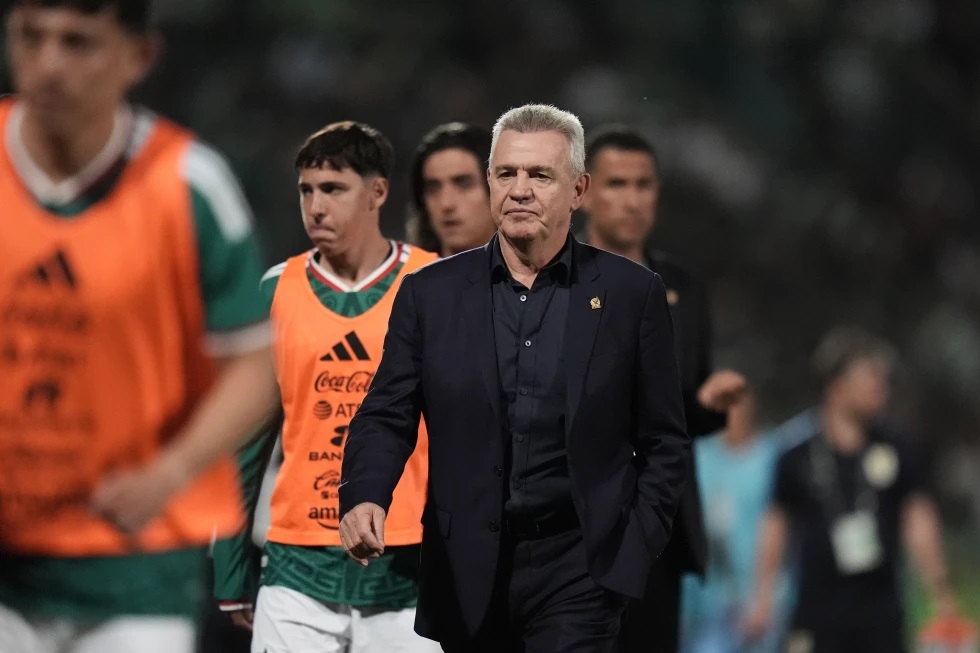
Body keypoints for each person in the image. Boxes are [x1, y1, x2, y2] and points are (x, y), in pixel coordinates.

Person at [338, 103, 691, 652]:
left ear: (579, 191)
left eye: (540, 175)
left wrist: (633, 548)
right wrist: (364, 493)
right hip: (466, 570)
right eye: (507, 173)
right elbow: (387, 412)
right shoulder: (430, 294)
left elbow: (663, 440)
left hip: (580, 571)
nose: (520, 189)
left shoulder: (631, 294)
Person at [0, 1, 278, 652]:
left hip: (135, 572)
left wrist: (172, 469)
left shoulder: (187, 184)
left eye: (78, 42)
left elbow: (254, 362)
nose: (48, 64)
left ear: (139, 56)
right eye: (30, 37)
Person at [212, 121, 442, 653]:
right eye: (306, 191)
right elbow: (245, 441)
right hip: (297, 568)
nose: (315, 206)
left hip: (407, 571)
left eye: (333, 189)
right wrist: (229, 567)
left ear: (377, 192)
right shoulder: (277, 290)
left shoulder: (434, 284)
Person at [578, 124, 747, 653]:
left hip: (659, 530)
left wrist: (705, 404)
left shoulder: (684, 288)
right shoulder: (550, 281)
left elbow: (676, 420)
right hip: (574, 526)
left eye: (643, 185)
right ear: (583, 192)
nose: (631, 200)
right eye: (616, 184)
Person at [745, 327, 959, 653]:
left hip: (881, 612)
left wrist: (940, 593)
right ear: (837, 386)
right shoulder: (796, 453)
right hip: (815, 613)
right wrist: (763, 597)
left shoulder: (898, 446)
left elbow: (919, 517)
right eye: (870, 378)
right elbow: (776, 524)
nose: (880, 388)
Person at [679, 390, 799, 653]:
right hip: (708, 598)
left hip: (759, 593)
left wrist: (766, 596)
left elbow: (778, 527)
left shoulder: (774, 457)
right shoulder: (700, 457)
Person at [406, 121, 496, 257]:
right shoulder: (403, 277)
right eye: (433, 189)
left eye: (463, 184)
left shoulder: (535, 275)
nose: (446, 204)